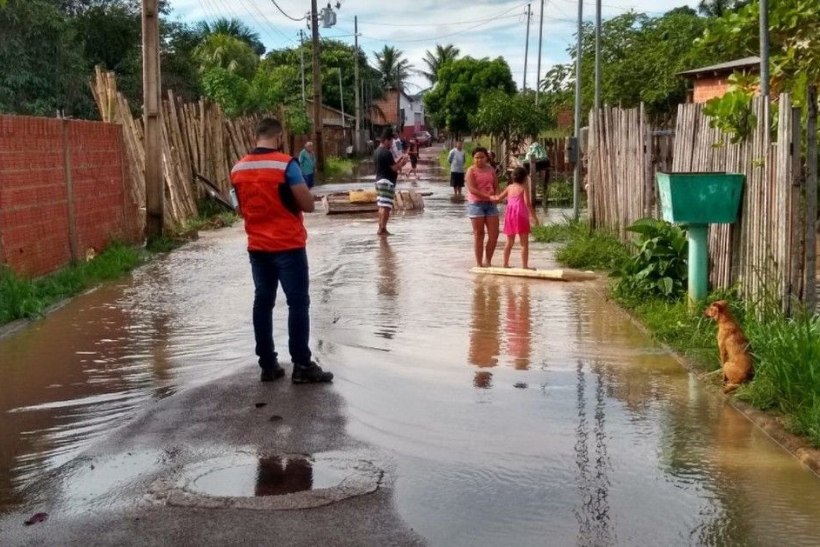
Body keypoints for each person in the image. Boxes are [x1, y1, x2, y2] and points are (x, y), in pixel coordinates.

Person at [230, 118, 333, 384]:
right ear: (278, 137)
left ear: (256, 136)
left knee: (262, 303)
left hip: (257, 247)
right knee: (297, 303)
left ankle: (268, 365)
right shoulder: (286, 164)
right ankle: (301, 365)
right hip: (288, 245)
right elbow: (307, 204)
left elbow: (240, 207)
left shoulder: (238, 168)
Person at [494, 166, 540, 269]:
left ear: (513, 177)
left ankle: (505, 264)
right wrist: (535, 218)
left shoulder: (509, 187)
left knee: (509, 241)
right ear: (525, 178)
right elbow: (528, 204)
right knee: (524, 243)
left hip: (510, 215)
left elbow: (498, 198)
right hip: (521, 215)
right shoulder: (524, 188)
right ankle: (524, 266)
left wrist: (488, 197)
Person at [465, 146, 500, 267]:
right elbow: (472, 189)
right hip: (476, 204)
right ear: (473, 158)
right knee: (479, 234)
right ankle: (479, 264)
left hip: (491, 204)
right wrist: (488, 196)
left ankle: (488, 261)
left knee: (494, 235)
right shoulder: (471, 171)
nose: (479, 160)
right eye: (476, 157)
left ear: (486, 158)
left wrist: (497, 196)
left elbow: (496, 185)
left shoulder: (491, 170)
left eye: (482, 157)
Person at [374, 129, 408, 236]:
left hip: (379, 180)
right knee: (386, 207)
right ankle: (383, 229)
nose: (392, 144)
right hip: (387, 182)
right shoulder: (386, 153)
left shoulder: (377, 152)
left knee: (381, 205)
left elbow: (389, 165)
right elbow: (394, 168)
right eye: (391, 142)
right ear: (386, 140)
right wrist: (403, 163)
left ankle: (381, 227)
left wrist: (399, 160)